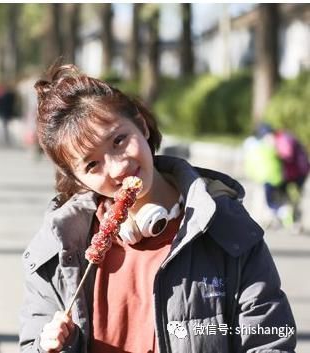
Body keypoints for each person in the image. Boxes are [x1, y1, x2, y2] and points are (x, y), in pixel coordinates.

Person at [19, 64, 296, 353]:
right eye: (92, 165)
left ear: (141, 125)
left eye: (119, 140)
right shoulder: (58, 251)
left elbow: (269, 339)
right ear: (77, 179)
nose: (118, 167)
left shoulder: (227, 229)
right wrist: (51, 346)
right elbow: (30, 343)